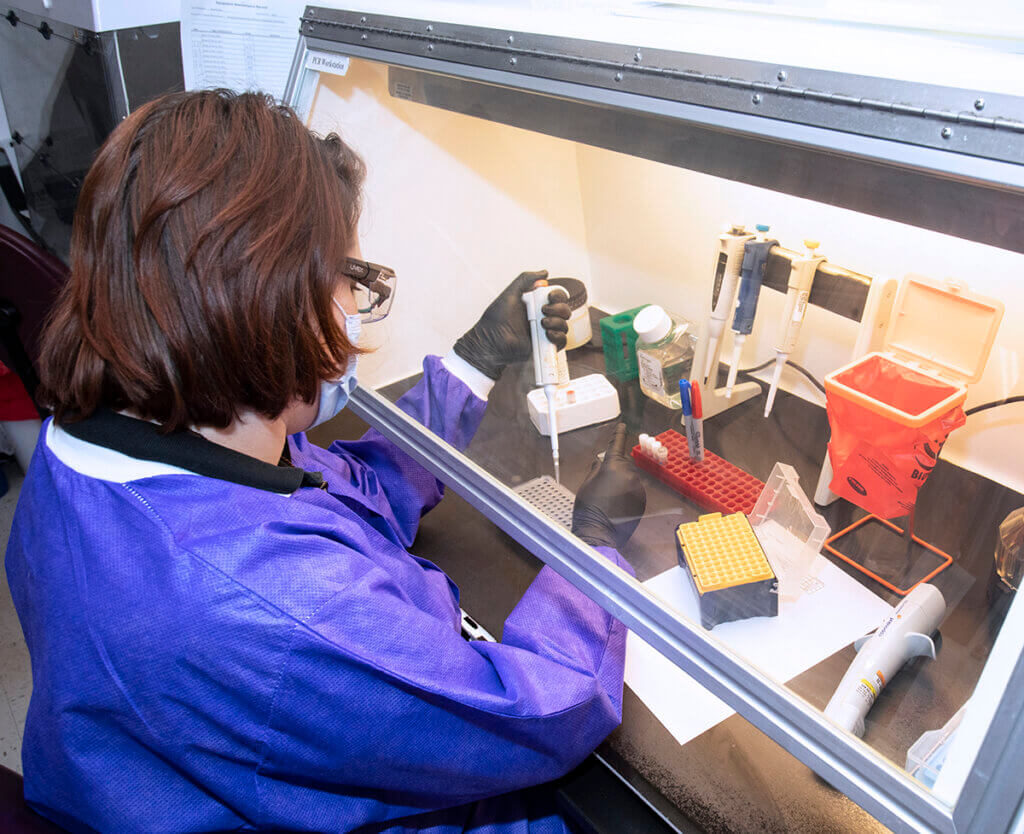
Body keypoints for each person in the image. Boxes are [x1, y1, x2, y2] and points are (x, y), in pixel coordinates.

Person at [4, 90, 646, 833]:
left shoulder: (101, 444)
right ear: (269, 297)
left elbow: (349, 491)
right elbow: (542, 712)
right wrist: (592, 553)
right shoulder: (282, 607)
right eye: (346, 275)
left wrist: (478, 358)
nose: (353, 302)